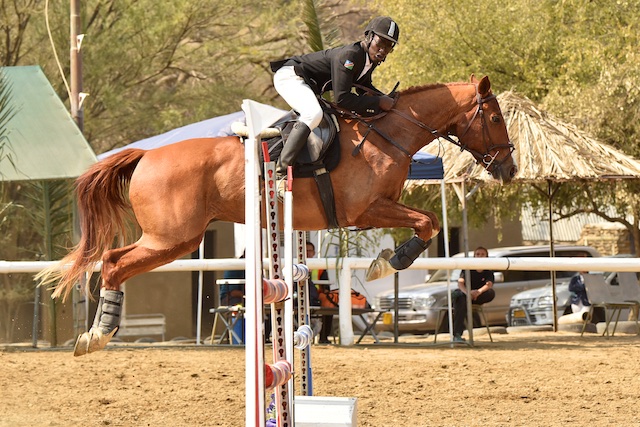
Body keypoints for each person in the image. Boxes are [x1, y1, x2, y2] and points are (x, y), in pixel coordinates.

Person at [270, 16, 400, 179]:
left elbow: (364, 88)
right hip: (291, 76)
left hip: (307, 84)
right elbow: (342, 99)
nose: (382, 50)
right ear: (369, 37)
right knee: (313, 114)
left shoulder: (368, 60)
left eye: (388, 47)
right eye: (380, 43)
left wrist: (389, 99)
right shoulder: (350, 56)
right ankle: (281, 167)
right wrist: (379, 101)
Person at [453, 246, 496, 343]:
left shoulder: (488, 271)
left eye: (482, 254)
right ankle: (457, 334)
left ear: (486, 257)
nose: (480, 256)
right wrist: (468, 293)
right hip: (465, 295)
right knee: (459, 297)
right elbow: (460, 283)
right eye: (478, 254)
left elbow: (489, 284)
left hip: (479, 295)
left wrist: (478, 292)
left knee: (491, 293)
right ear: (474, 256)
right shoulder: (467, 268)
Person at [306, 241, 333, 344]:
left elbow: (326, 287)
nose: (308, 253)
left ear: (313, 253)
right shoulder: (295, 265)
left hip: (317, 299)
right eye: (305, 250)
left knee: (329, 309)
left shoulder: (320, 267)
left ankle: (324, 338)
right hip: (299, 298)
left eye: (310, 251)